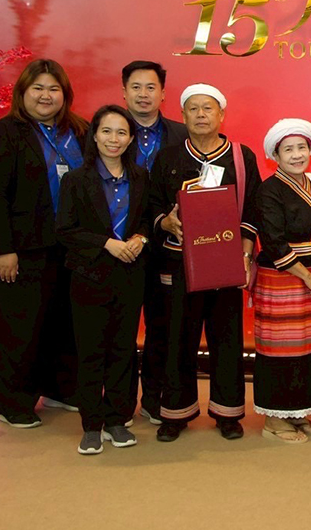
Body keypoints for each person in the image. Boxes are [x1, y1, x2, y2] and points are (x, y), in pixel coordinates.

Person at [0, 58, 87, 428]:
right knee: (19, 327)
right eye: (37, 88)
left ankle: (60, 388)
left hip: (69, 248)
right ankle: (13, 402)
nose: (45, 95)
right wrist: (2, 248)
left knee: (63, 323)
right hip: (20, 250)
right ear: (22, 93)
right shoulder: (5, 134)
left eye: (53, 89)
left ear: (64, 95)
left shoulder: (80, 131)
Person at [148, 84, 260, 442]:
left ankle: (227, 412)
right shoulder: (167, 157)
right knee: (178, 337)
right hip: (180, 263)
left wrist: (244, 256)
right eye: (192, 109)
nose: (200, 115)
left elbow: (252, 208)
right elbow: (150, 204)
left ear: (221, 115)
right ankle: (175, 413)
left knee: (226, 338)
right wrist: (165, 222)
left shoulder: (242, 157)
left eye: (207, 108)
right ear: (182, 116)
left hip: (225, 263)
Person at [56, 105, 150, 455]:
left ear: (130, 138)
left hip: (130, 275)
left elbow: (146, 219)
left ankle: (117, 419)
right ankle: (91, 424)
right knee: (91, 352)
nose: (114, 139)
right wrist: (106, 244)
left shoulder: (141, 177)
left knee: (123, 351)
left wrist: (141, 238)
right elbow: (65, 230)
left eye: (122, 132)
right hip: (89, 275)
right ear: (95, 135)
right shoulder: (76, 180)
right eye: (107, 131)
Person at [251, 119, 311, 443]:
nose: (297, 155)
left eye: (301, 148)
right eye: (288, 149)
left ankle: (299, 412)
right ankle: (274, 419)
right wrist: (308, 278)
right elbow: (273, 242)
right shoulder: (268, 190)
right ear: (275, 155)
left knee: (308, 350)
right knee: (280, 351)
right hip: (283, 280)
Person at [120, 60, 188, 427]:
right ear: (124, 91)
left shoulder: (181, 134)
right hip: (122, 245)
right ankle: (121, 403)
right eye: (136, 87)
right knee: (122, 328)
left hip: (167, 245)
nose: (143, 94)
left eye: (150, 88)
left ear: (163, 93)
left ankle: (155, 400)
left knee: (163, 327)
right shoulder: (108, 131)